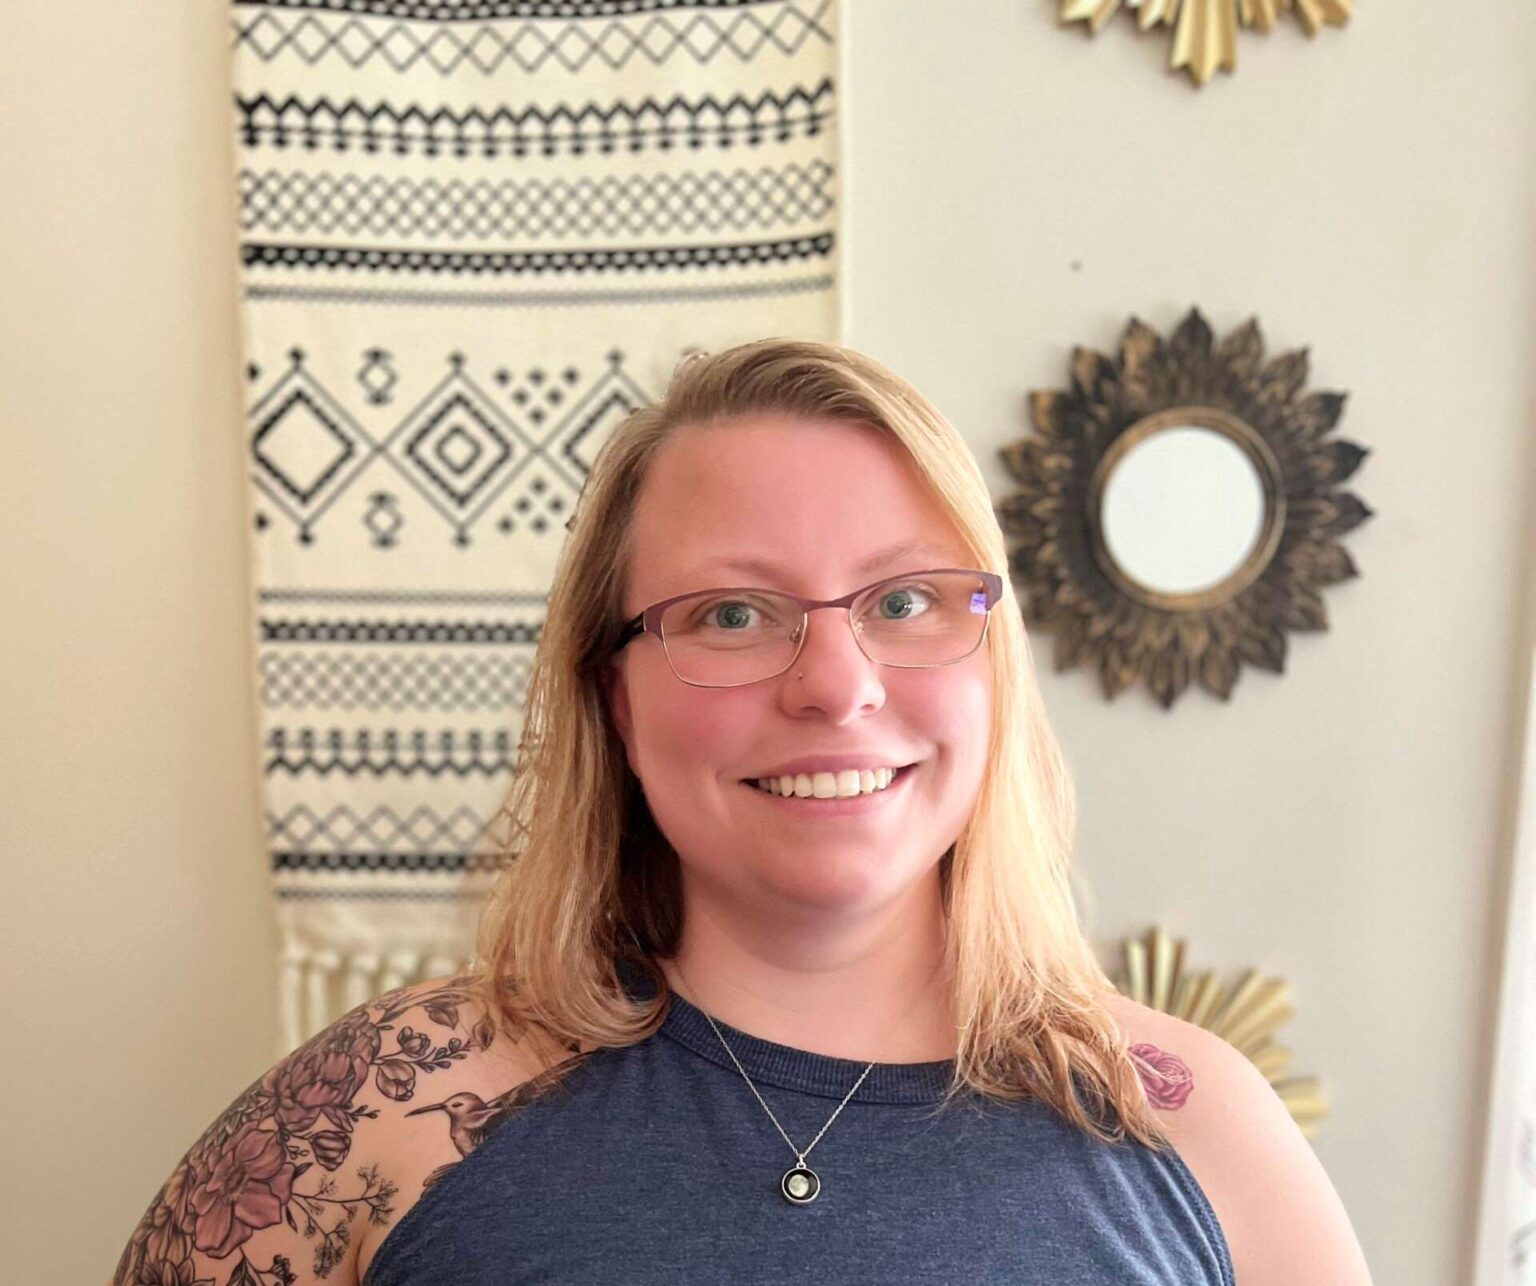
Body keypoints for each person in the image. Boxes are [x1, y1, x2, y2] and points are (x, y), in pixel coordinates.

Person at [111, 338, 1372, 1285]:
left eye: (906, 600)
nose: (835, 683)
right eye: (730, 613)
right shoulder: (387, 1113)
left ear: (994, 666)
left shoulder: (1198, 1133)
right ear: (614, 697)